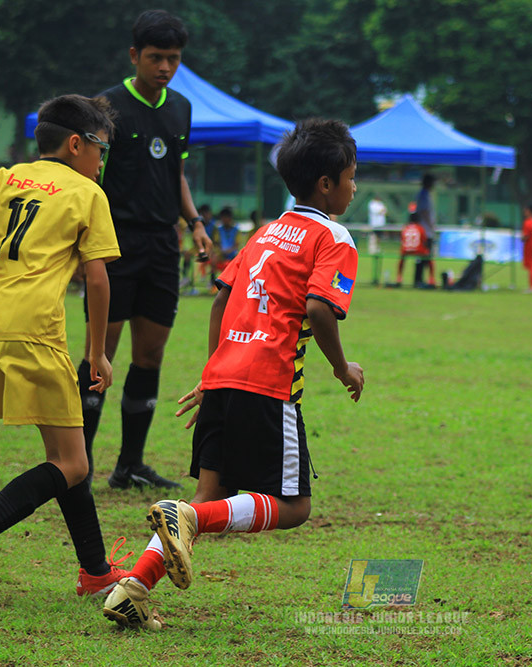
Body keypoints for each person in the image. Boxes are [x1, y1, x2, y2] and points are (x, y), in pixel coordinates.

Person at [102, 118, 364, 629]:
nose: (354, 188)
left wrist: (212, 372)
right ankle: (185, 519)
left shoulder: (266, 231)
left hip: (223, 375)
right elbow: (318, 309)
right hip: (269, 383)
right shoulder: (334, 237)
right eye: (351, 178)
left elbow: (221, 301)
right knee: (294, 508)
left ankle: (131, 589)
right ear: (326, 184)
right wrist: (342, 367)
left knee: (207, 495)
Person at [0, 94, 130, 605]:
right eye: (102, 149)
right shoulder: (88, 192)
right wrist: (98, 352)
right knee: (74, 464)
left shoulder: (8, 176)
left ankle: (96, 571)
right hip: (36, 330)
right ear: (77, 144)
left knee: (66, 455)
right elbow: (98, 280)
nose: (102, 160)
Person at [81, 9, 214, 490]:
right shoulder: (106, 108)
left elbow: (176, 174)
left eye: (173, 59)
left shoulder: (181, 107)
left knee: (151, 354)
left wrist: (194, 222)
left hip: (162, 245)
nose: (165, 67)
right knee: (100, 354)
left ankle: (130, 466)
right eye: (156, 57)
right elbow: (88, 178)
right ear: (135, 55)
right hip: (114, 243)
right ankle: (78, 467)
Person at [414, 174, 437, 286]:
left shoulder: (424, 194)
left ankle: (422, 279)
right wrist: (431, 225)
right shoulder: (424, 195)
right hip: (425, 231)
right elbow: (424, 212)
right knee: (424, 256)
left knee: (424, 257)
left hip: (425, 230)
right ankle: (420, 280)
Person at [395, 212, 428, 287]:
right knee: (429, 257)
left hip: (406, 250)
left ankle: (399, 278)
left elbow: (402, 239)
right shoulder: (420, 228)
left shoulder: (405, 228)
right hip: (418, 250)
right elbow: (424, 240)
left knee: (402, 259)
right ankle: (431, 279)